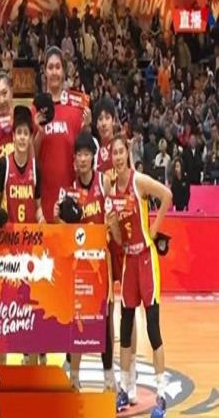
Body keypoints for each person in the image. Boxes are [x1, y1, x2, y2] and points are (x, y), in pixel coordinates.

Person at [111, 135, 172, 414]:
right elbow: (117, 238)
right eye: (114, 153)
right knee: (125, 328)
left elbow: (167, 196)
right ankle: (125, 389)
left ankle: (161, 393)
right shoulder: (114, 190)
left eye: (121, 152)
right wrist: (112, 223)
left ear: (127, 153)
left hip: (146, 259)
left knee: (153, 328)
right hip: (129, 261)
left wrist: (154, 232)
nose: (117, 157)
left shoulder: (138, 181)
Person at [55, 132, 120, 392]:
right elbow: (62, 230)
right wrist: (58, 218)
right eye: (79, 155)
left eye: (86, 154)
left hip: (102, 265)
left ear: (93, 157)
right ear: (74, 160)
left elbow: (115, 217)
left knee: (104, 322)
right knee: (77, 321)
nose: (82, 159)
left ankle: (109, 380)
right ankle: (73, 378)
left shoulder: (104, 183)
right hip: (79, 266)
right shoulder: (69, 192)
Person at [93, 97, 138, 401]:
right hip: (106, 240)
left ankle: (130, 376)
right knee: (107, 310)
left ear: (114, 120)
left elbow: (133, 186)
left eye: (107, 117)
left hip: (127, 237)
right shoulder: (96, 155)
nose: (103, 122)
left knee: (129, 309)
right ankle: (109, 374)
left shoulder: (123, 151)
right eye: (100, 118)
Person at [0, 105, 45, 366]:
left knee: (30, 304)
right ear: (13, 137)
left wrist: (42, 217)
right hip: (8, 247)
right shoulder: (4, 165)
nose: (23, 137)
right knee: (8, 304)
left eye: (26, 133)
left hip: (31, 248)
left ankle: (30, 356)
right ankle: (4, 356)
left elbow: (37, 206)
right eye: (19, 133)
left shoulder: (36, 168)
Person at [34, 46, 91, 222]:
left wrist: (87, 127)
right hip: (44, 199)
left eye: (58, 67)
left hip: (70, 199)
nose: (54, 72)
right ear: (45, 72)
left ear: (64, 71)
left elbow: (84, 155)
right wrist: (39, 133)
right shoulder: (36, 109)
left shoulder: (76, 108)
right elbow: (31, 157)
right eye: (50, 67)